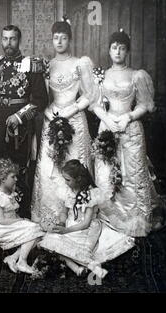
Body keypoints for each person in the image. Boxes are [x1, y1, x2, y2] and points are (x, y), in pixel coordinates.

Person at [91, 29, 165, 237]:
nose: (118, 52)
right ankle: (109, 216)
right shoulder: (100, 76)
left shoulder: (136, 75)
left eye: (122, 48)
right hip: (107, 128)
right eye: (114, 48)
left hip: (130, 129)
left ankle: (135, 218)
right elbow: (95, 104)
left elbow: (144, 104)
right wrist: (107, 120)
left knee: (132, 174)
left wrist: (128, 117)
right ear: (109, 50)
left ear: (127, 52)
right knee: (106, 173)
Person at [31, 17, 98, 224]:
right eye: (55, 38)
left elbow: (90, 95)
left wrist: (72, 109)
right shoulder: (47, 66)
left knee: (74, 165)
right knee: (50, 167)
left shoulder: (80, 64)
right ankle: (50, 214)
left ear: (69, 40)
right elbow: (44, 97)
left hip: (75, 119)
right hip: (52, 119)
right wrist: (50, 111)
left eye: (63, 38)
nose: (59, 42)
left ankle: (76, 216)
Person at [0, 25, 49, 213]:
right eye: (5, 39)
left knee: (18, 170)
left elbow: (41, 100)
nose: (8, 43)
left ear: (19, 41)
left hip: (20, 126)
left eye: (12, 39)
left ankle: (20, 213)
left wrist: (20, 116)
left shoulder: (31, 65)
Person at [37, 160, 135, 279]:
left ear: (78, 178)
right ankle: (76, 268)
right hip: (70, 224)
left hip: (86, 228)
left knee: (76, 250)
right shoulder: (67, 191)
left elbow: (86, 223)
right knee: (49, 241)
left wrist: (66, 231)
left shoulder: (91, 194)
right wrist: (62, 223)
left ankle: (89, 265)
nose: (65, 182)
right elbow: (64, 211)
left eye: (68, 180)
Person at [0, 159, 44, 274]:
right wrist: (21, 220)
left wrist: (22, 221)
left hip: (9, 223)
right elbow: (2, 220)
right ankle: (21, 261)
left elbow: (12, 213)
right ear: (2, 179)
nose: (16, 179)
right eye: (13, 177)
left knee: (38, 230)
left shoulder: (9, 193)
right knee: (35, 229)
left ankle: (13, 258)